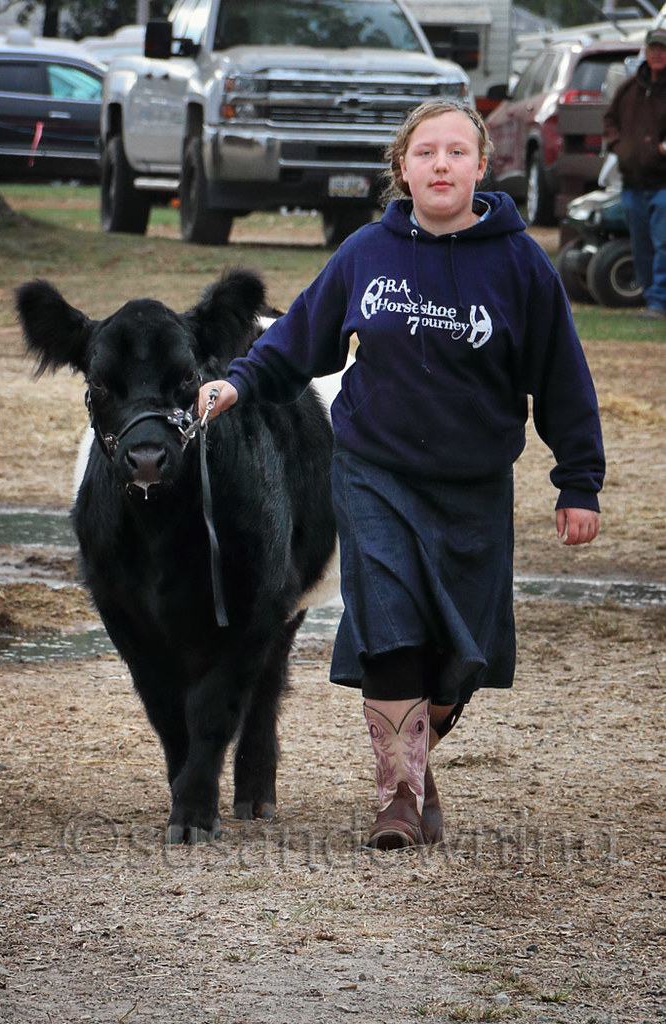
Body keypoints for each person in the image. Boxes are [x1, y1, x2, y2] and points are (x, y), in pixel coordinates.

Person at [198, 99, 605, 850]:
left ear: (483, 166)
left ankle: (413, 766)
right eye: (425, 153)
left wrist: (577, 482)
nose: (441, 164)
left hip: (473, 487)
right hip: (373, 471)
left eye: (456, 152)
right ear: (402, 169)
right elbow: (299, 338)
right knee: (388, 635)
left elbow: (561, 380)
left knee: (459, 662)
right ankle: (396, 801)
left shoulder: (520, 264)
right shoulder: (367, 251)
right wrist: (238, 383)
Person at [603, 26, 666, 320]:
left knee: (663, 242)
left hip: (663, 183)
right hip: (632, 183)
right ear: (646, 50)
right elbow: (610, 120)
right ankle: (651, 298)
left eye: (663, 49)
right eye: (653, 48)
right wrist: (619, 145)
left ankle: (658, 301)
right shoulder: (628, 89)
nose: (658, 54)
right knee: (641, 245)